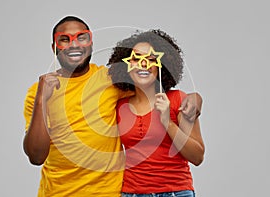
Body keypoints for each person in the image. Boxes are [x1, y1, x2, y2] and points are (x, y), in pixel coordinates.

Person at [23, 16, 203, 197]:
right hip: (57, 193)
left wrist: (195, 98)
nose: (74, 45)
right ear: (55, 48)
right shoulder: (37, 93)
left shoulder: (110, 80)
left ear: (91, 43)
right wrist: (41, 100)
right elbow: (36, 156)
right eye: (65, 39)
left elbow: (148, 86)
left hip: (110, 193)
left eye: (81, 37)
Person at [107, 29, 205, 197]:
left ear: (161, 66)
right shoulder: (119, 106)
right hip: (132, 193)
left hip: (175, 192)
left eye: (150, 59)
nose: (143, 64)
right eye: (136, 59)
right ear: (126, 66)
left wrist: (167, 121)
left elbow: (197, 157)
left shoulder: (178, 100)